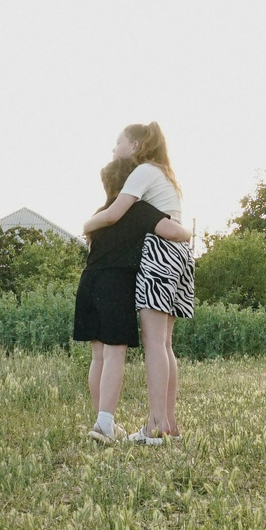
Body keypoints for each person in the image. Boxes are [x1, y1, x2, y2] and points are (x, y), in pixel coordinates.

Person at [82, 122, 194, 444]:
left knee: (154, 342)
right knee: (165, 343)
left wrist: (87, 223)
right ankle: (167, 423)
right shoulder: (164, 174)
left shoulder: (143, 171)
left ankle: (156, 426)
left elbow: (114, 214)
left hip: (159, 250)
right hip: (179, 253)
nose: (114, 149)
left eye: (118, 142)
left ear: (134, 146)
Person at [73, 152, 164, 441]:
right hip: (115, 283)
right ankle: (104, 424)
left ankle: (102, 420)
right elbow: (175, 232)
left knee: (98, 355)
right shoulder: (140, 210)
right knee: (115, 352)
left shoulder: (98, 214)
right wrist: (185, 227)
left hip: (89, 282)